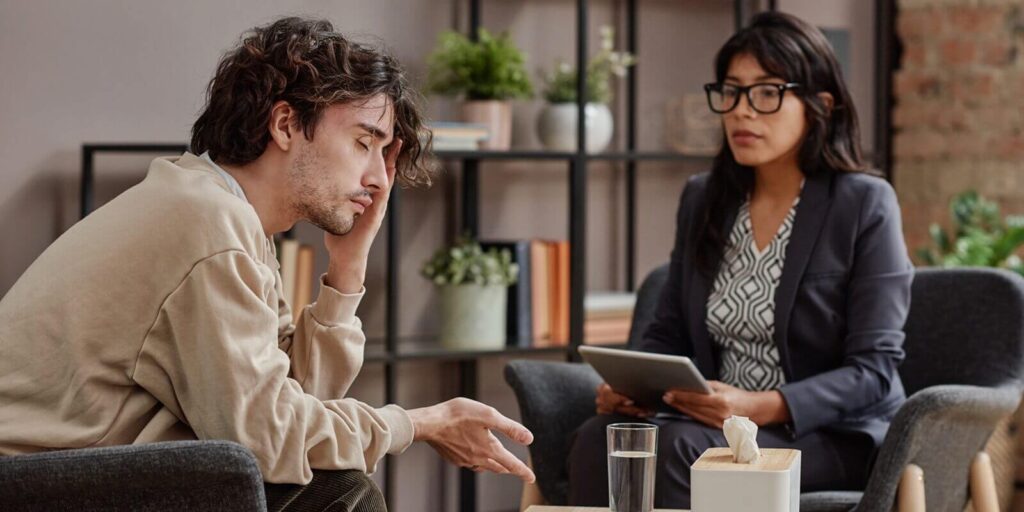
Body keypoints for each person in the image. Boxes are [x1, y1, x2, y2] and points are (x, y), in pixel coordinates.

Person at [0, 17, 534, 511]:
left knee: (322, 483)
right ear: (284, 124)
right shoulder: (208, 224)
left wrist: (347, 270)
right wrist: (421, 423)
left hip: (71, 472)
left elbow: (297, 408)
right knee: (335, 493)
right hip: (33, 482)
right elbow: (276, 441)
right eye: (363, 143)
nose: (377, 178)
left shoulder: (224, 214)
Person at [568, 11, 912, 509]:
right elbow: (666, 331)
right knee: (602, 437)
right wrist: (632, 387)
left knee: (679, 450)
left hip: (827, 434)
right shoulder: (705, 198)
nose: (742, 111)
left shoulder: (862, 203)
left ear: (820, 105)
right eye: (731, 91)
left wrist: (759, 406)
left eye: (767, 92)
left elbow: (873, 370)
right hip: (712, 422)